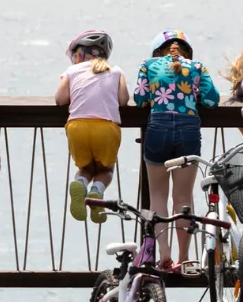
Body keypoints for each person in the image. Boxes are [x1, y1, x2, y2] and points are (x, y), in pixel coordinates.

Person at [134, 29, 220, 269]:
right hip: (188, 130)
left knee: (158, 196)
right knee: (183, 197)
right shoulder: (197, 67)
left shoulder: (148, 65)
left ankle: (164, 254)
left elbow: (140, 98)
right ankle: (184, 258)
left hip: (158, 129)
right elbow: (213, 100)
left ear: (157, 50)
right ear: (186, 50)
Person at [55, 30, 128, 222]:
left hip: (77, 126)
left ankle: (81, 183)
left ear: (79, 55)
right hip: (105, 128)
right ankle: (96, 192)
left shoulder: (71, 71)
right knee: (105, 171)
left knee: (86, 168)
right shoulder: (116, 71)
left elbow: (60, 99)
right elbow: (123, 100)